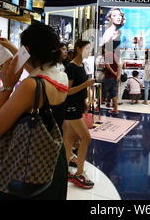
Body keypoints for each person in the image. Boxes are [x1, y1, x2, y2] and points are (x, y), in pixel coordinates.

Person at [0, 23, 69, 200]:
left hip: (27, 166)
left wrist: (7, 86)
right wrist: (12, 47)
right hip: (54, 162)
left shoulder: (29, 86)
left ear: (29, 50)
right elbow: (37, 71)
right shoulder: (61, 77)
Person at [63, 40, 96, 189]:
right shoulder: (70, 68)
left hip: (77, 106)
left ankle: (66, 170)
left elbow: (79, 88)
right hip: (70, 108)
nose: (89, 51)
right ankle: (79, 173)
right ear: (78, 49)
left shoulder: (81, 65)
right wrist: (85, 85)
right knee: (86, 138)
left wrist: (84, 100)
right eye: (87, 48)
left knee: (69, 140)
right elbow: (67, 91)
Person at [102, 50, 121, 114]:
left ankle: (97, 107)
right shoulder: (115, 55)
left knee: (102, 92)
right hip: (114, 78)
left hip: (108, 77)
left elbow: (108, 66)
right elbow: (119, 66)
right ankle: (116, 109)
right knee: (113, 93)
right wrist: (118, 75)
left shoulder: (106, 55)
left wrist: (114, 73)